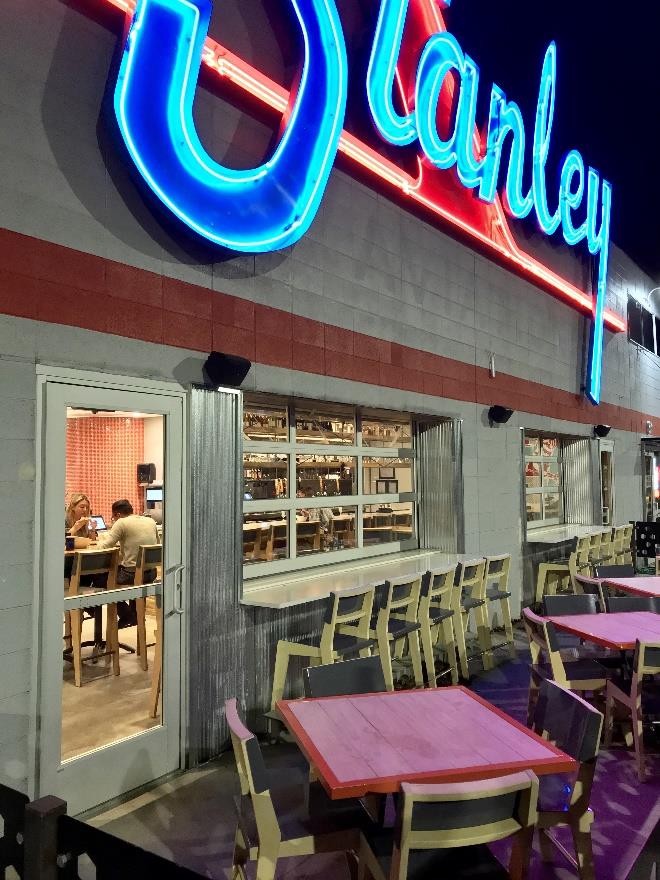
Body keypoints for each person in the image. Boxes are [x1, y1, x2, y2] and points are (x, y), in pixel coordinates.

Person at [95, 499, 159, 627]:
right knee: (129, 570)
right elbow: (156, 543)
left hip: (132, 575)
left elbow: (104, 547)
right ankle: (135, 615)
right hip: (151, 573)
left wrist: (98, 540)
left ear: (117, 515)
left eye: (113, 516)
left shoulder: (121, 523)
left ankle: (127, 615)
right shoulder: (150, 521)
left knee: (101, 579)